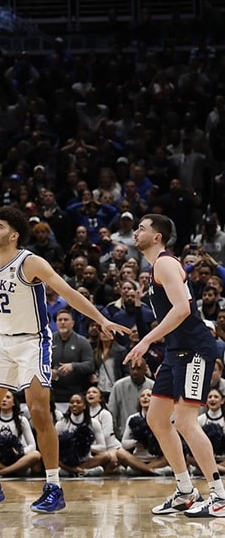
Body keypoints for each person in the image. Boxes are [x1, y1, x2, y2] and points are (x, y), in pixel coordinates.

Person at [0, 206, 129, 513]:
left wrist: (101, 319)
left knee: (39, 411)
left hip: (32, 342)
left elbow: (68, 292)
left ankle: (54, 486)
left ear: (14, 235)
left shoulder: (30, 262)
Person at [124, 214, 225, 517]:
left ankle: (219, 494)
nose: (136, 232)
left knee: (184, 421)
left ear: (157, 236)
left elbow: (182, 310)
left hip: (194, 350)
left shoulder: (165, 263)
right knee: (156, 419)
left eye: (141, 228)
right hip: (176, 351)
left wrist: (146, 341)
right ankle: (185, 491)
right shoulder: (156, 267)